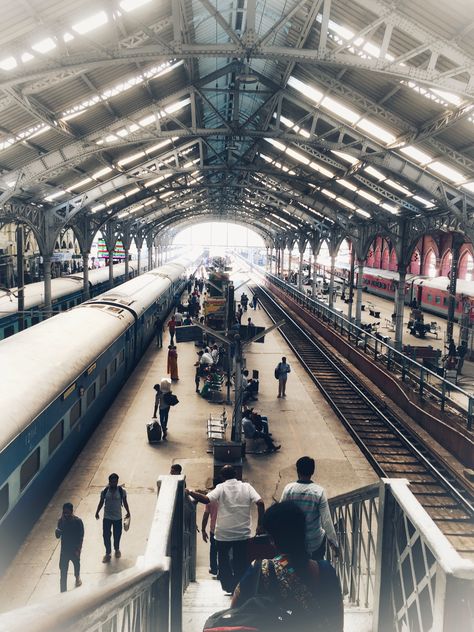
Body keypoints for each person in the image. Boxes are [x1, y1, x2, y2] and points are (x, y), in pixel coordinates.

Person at [231, 502, 343, 632]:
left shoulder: (259, 569)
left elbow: (234, 614)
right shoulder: (326, 570)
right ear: (303, 533)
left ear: (272, 539)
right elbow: (337, 623)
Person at [187, 465, 265, 594]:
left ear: (222, 477)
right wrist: (260, 525)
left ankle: (228, 586)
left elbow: (206, 500)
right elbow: (260, 503)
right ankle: (240, 587)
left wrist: (190, 492)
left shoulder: (221, 487)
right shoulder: (247, 487)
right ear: (236, 475)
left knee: (223, 561)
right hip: (242, 533)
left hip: (223, 534)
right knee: (241, 561)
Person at [280, 457, 338, 561]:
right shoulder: (319, 492)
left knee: (296, 570)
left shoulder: (289, 489)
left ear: (297, 471)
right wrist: (334, 544)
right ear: (312, 471)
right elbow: (326, 520)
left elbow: (280, 513)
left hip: (294, 541)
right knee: (316, 570)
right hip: (315, 542)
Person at [95, 473, 131, 563]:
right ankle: (108, 553)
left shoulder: (122, 491)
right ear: (109, 482)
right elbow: (101, 502)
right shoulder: (104, 491)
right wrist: (97, 512)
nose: (114, 483)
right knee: (106, 535)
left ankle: (117, 549)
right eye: (112, 482)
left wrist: (128, 512)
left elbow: (125, 502)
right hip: (107, 517)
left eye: (115, 481)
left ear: (117, 481)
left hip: (117, 517)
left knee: (117, 535)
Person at [55, 502, 84, 593]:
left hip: (74, 550)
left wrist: (78, 550)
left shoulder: (78, 522)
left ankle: (77, 577)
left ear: (72, 512)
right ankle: (63, 592)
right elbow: (57, 536)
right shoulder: (61, 521)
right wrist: (58, 530)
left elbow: (81, 537)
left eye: (67, 513)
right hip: (64, 551)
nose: (66, 515)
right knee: (63, 573)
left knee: (76, 565)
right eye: (64, 513)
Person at [202, 498, 219, 577]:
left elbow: (206, 515)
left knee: (214, 550)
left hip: (214, 530)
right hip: (227, 529)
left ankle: (214, 569)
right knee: (225, 551)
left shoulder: (210, 499)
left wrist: (203, 530)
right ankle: (223, 571)